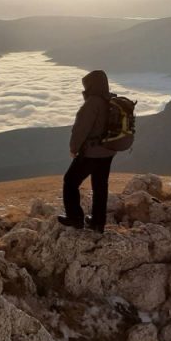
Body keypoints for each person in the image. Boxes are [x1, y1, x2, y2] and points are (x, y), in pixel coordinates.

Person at [57, 70, 116, 233]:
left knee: (70, 181)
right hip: (108, 151)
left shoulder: (93, 103)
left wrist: (73, 148)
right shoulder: (110, 99)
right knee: (100, 186)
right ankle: (98, 223)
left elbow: (81, 129)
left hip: (92, 152)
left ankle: (75, 218)